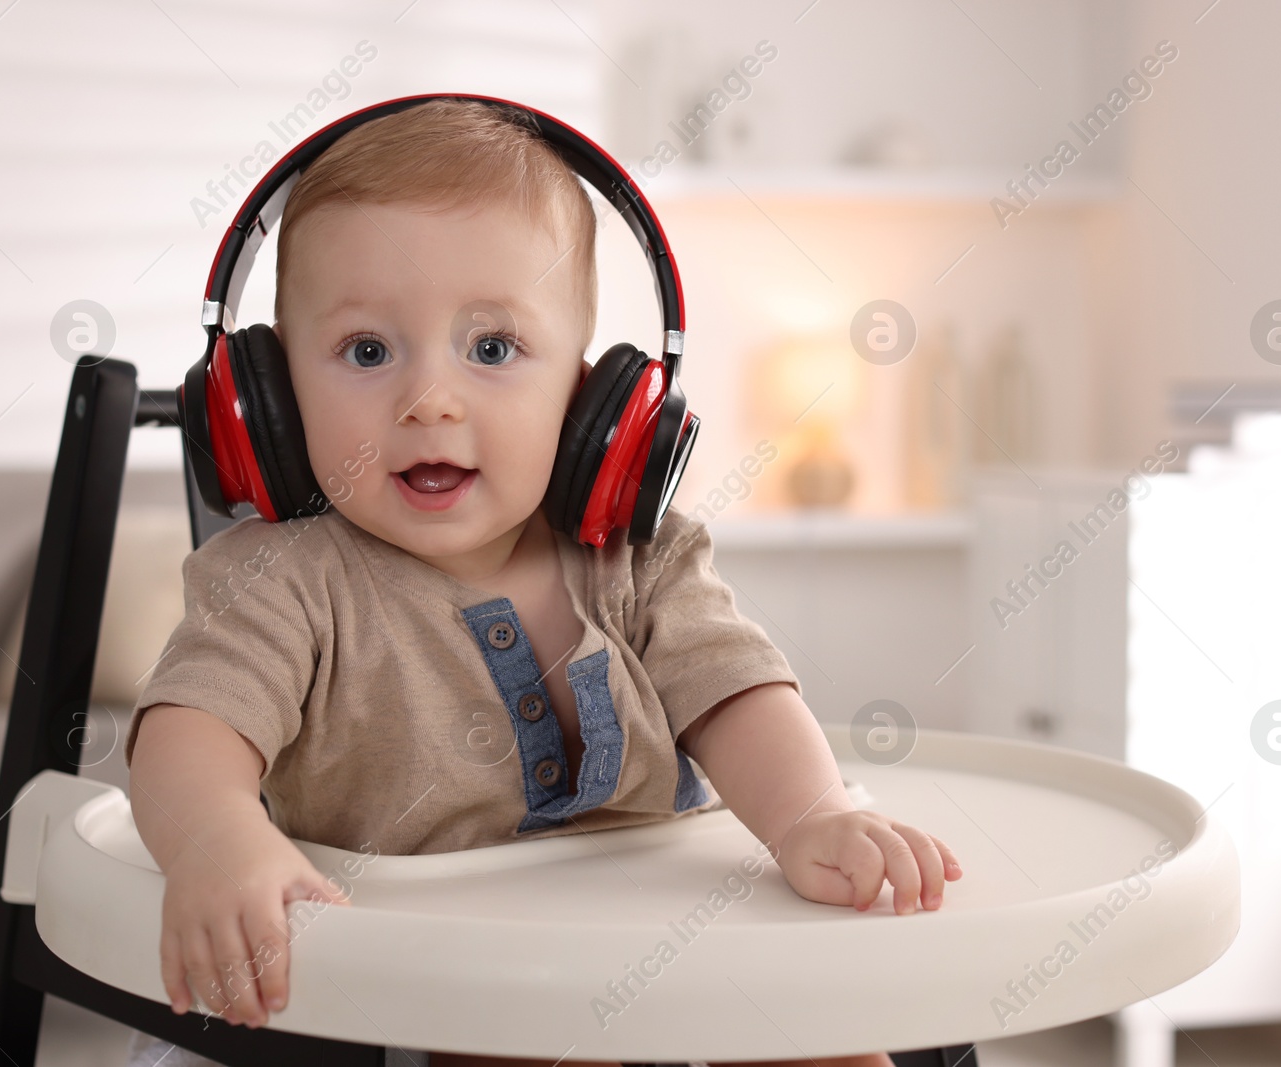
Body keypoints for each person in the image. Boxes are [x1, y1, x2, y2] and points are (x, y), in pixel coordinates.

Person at [123, 99, 963, 1067]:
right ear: (267, 395)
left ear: (592, 397)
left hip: (673, 936)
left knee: (823, 1039)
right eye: (365, 351)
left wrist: (811, 813)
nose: (427, 399)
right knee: (534, 1043)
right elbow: (190, 730)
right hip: (451, 978)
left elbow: (735, 692)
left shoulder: (640, 558)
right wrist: (215, 837)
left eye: (491, 348)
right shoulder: (283, 580)